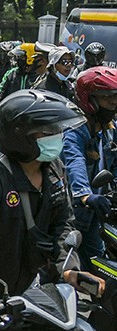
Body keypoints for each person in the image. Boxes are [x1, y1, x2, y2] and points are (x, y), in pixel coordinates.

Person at [0, 89, 104, 331]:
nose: (57, 137)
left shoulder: (55, 170)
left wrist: (69, 270)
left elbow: (64, 226)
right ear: (21, 137)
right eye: (47, 132)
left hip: (29, 292)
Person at [61, 67, 117, 270]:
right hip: (71, 212)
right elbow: (73, 160)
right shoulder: (75, 129)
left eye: (115, 97)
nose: (113, 103)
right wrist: (85, 194)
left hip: (95, 212)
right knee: (63, 268)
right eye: (107, 98)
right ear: (89, 100)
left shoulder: (110, 128)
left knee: (98, 265)